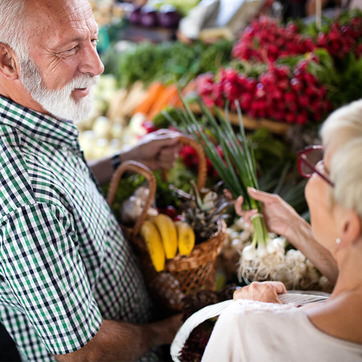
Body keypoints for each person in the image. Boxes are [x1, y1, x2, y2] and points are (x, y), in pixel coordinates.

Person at [0, 0, 183, 361]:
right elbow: (87, 353)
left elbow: (59, 191)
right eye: (69, 49)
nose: (96, 65)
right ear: (8, 61)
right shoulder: (26, 204)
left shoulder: (33, 117)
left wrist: (124, 160)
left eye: (93, 40)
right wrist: (165, 331)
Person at [202, 100, 362, 361]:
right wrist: (293, 226)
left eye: (322, 167)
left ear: (347, 225)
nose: (311, 171)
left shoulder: (245, 326)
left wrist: (267, 321)